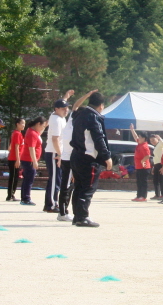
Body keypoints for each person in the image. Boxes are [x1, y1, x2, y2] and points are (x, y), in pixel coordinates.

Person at [69, 92, 112, 227]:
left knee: (79, 187)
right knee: (88, 188)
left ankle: (77, 216)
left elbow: (75, 107)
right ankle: (83, 217)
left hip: (76, 155)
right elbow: (99, 138)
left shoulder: (79, 114)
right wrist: (107, 156)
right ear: (101, 106)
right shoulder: (93, 117)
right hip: (88, 158)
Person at [58, 90, 97, 222]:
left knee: (72, 186)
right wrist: (87, 95)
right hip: (68, 158)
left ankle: (72, 213)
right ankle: (63, 212)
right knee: (67, 186)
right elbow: (75, 105)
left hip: (73, 158)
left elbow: (75, 106)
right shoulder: (73, 121)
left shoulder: (75, 122)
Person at [44, 92, 73, 213]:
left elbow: (59, 106)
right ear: (56, 109)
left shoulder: (57, 117)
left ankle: (51, 203)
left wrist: (65, 98)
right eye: (63, 108)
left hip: (56, 152)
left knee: (56, 179)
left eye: (67, 108)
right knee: (55, 179)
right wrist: (60, 154)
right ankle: (51, 204)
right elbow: (55, 139)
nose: (66, 110)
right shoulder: (56, 120)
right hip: (54, 153)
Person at [19, 117, 47, 206]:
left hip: (28, 159)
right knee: (29, 179)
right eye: (42, 126)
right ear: (38, 124)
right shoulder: (32, 133)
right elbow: (31, 148)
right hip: (29, 160)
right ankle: (26, 198)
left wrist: (46, 124)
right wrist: (34, 161)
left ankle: (24, 198)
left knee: (27, 179)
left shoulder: (33, 131)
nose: (43, 128)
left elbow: (40, 133)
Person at [129, 124, 152, 202]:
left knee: (143, 182)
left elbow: (148, 155)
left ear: (144, 138)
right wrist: (132, 130)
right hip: (139, 167)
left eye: (140, 137)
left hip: (144, 167)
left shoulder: (144, 146)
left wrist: (142, 161)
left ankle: (143, 196)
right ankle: (139, 196)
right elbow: (135, 137)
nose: (139, 138)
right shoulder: (140, 143)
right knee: (139, 182)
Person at [5, 118, 25, 201]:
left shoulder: (17, 133)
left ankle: (12, 194)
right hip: (14, 159)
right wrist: (17, 159)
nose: (24, 125)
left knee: (16, 177)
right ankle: (10, 195)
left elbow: (10, 147)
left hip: (15, 158)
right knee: (13, 177)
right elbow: (16, 147)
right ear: (17, 124)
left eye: (24, 123)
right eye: (22, 123)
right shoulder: (17, 133)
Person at [150, 133, 163, 200]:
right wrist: (153, 167)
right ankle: (157, 194)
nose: (152, 142)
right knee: (155, 180)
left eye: (153, 140)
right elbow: (155, 157)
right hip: (156, 164)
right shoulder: (155, 147)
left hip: (160, 164)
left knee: (161, 180)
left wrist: (160, 138)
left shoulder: (160, 144)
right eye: (151, 141)